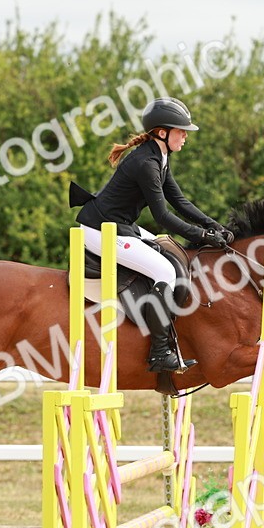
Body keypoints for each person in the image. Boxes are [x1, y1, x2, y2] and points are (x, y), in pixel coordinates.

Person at [72, 97, 233, 373]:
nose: (185, 136)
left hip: (120, 225)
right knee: (166, 271)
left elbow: (179, 201)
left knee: (168, 251)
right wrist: (203, 236)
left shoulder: (160, 156)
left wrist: (214, 225)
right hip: (99, 230)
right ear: (162, 132)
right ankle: (159, 353)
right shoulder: (146, 162)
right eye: (181, 131)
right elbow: (163, 217)